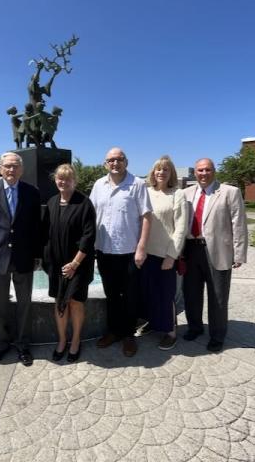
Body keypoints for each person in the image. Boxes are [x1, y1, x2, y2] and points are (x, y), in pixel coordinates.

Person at [0, 152, 41, 367]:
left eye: (15, 166)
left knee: (25, 304)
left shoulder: (32, 192)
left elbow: (36, 227)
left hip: (24, 257)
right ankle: (1, 343)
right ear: (0, 168)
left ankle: (23, 344)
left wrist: (37, 255)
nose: (11, 170)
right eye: (7, 166)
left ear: (21, 169)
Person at [89, 147, 152, 357]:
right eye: (110, 160)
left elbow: (146, 217)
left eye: (119, 159)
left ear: (126, 161)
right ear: (105, 163)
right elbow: (90, 214)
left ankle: (128, 336)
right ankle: (113, 332)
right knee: (112, 294)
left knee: (130, 296)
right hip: (104, 250)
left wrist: (142, 247)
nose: (115, 163)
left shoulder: (138, 184)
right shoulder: (99, 185)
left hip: (129, 251)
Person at [182, 158, 248, 352]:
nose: (204, 173)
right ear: (195, 173)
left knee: (218, 296)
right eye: (200, 170)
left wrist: (239, 254)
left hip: (218, 251)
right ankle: (195, 327)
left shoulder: (230, 192)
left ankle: (217, 336)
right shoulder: (185, 193)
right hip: (190, 249)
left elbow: (239, 224)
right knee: (191, 293)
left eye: (207, 170)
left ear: (214, 171)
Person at [43, 164, 96, 363]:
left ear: (74, 181)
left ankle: (75, 341)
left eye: (67, 178)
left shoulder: (84, 204)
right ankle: (62, 340)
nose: (63, 182)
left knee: (75, 302)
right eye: (60, 178)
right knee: (59, 302)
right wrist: (46, 260)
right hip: (56, 265)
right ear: (55, 180)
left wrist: (74, 264)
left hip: (78, 264)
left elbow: (88, 237)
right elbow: (45, 234)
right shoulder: (51, 202)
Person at [141, 156, 188, 350]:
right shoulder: (145, 193)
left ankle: (170, 331)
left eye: (165, 170)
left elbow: (181, 228)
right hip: (145, 252)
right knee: (149, 292)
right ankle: (154, 323)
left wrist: (171, 255)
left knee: (166, 294)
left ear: (171, 174)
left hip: (165, 254)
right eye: (158, 169)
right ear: (153, 172)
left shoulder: (178, 194)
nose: (161, 173)